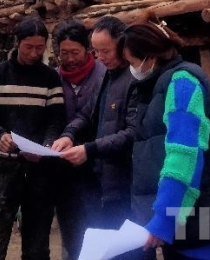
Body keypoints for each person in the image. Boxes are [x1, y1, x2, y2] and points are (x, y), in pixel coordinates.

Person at [118, 21, 210, 260]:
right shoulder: (163, 83)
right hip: (192, 218)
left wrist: (165, 217)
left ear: (150, 57)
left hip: (204, 218)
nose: (132, 70)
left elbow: (184, 155)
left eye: (133, 63)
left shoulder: (182, 84)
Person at [52, 16, 143, 260]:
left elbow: (133, 133)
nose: (100, 57)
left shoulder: (135, 80)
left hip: (127, 182)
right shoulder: (107, 76)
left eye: (106, 51)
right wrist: (69, 135)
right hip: (103, 180)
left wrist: (89, 149)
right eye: (97, 51)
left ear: (123, 45)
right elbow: (86, 114)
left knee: (129, 250)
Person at [0, 16, 66, 260]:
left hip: (39, 170)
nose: (34, 53)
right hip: (3, 169)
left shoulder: (50, 78)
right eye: (29, 47)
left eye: (40, 48)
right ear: (17, 43)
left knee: (37, 245)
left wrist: (47, 145)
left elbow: (56, 118)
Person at [50, 20, 107, 260]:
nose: (70, 59)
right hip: (64, 168)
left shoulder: (104, 75)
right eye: (64, 53)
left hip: (99, 167)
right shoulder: (54, 78)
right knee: (71, 230)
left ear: (87, 49)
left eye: (75, 52)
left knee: (99, 229)